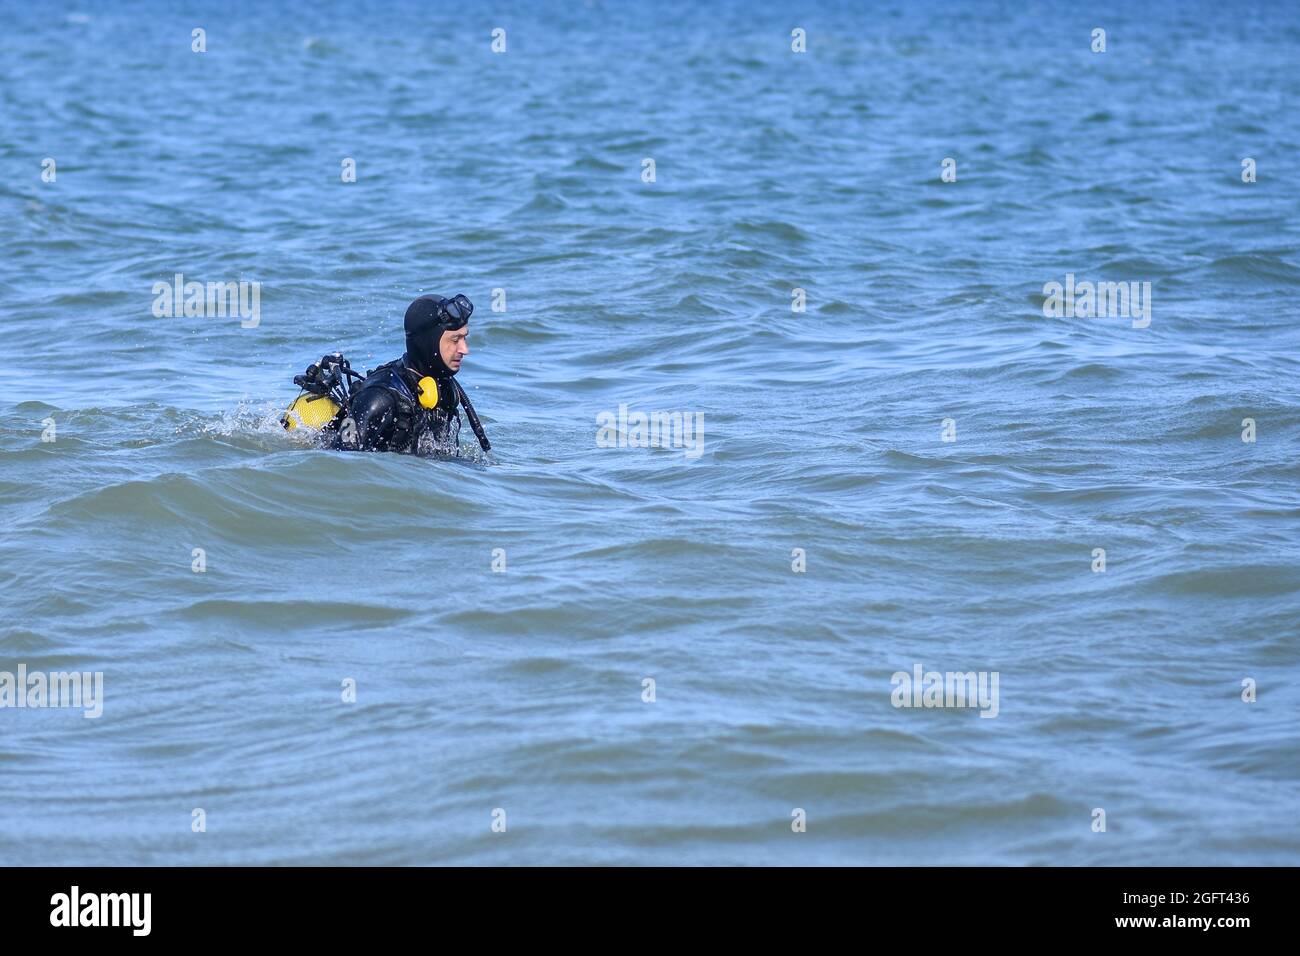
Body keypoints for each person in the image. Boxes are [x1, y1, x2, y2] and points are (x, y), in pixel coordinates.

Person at [284, 293, 490, 456]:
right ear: (428, 341)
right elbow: (340, 467)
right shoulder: (379, 398)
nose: (465, 349)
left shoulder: (445, 388)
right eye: (455, 340)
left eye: (464, 338)